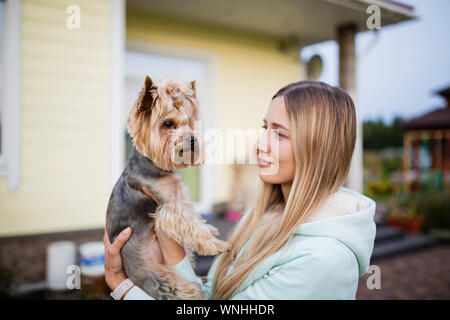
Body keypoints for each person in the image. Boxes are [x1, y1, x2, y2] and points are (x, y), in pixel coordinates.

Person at [104, 80, 376, 300]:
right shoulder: (263, 217)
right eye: (264, 127)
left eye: (279, 133)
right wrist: (167, 236)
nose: (259, 143)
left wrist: (121, 285)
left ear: (319, 149)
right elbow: (210, 297)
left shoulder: (322, 260)